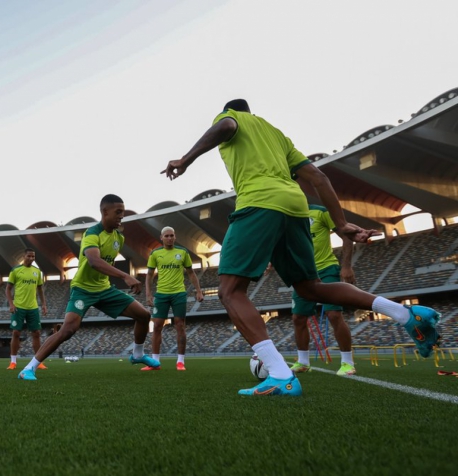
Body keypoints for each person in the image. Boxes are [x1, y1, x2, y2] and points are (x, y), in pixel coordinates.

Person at [162, 99, 440, 396]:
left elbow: (227, 125)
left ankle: (280, 374)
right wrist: (341, 223)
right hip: (296, 208)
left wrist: (186, 159)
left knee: (230, 291)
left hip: (258, 203)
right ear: (253, 112)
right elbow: (319, 178)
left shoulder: (232, 119)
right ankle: (406, 314)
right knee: (311, 288)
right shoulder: (278, 136)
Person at [18, 194, 159, 381]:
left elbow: (106, 262)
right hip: (83, 289)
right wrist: (125, 276)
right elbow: (94, 261)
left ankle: (138, 355)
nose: (121, 216)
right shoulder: (92, 233)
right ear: (104, 212)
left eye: (123, 212)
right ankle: (28, 368)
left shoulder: (119, 238)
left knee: (144, 315)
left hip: (104, 289)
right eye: (118, 212)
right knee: (68, 329)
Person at [289, 204, 357, 376]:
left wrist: (347, 266)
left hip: (327, 268)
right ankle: (303, 362)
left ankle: (347, 363)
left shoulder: (320, 211)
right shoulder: (287, 216)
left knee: (334, 315)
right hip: (302, 273)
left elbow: (347, 235)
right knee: (298, 318)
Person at [143, 226, 203, 371]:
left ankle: (180, 361)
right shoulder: (155, 253)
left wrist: (199, 291)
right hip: (161, 294)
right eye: (167, 236)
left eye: (172, 235)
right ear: (161, 237)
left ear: (175, 237)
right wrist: (148, 294)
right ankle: (155, 362)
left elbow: (191, 273)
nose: (169, 238)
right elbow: (149, 275)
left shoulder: (182, 252)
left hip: (179, 293)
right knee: (157, 325)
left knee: (180, 325)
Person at [5, 248, 48, 370]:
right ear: (24, 256)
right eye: (29, 256)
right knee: (16, 333)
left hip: (33, 307)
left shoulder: (37, 272)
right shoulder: (16, 270)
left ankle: (38, 362)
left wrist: (44, 304)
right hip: (19, 307)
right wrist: (11, 304)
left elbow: (40, 289)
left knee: (36, 333)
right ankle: (13, 362)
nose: (31, 259)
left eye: (33, 257)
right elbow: (8, 288)